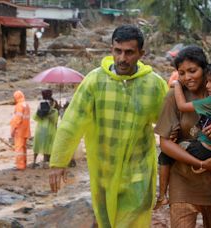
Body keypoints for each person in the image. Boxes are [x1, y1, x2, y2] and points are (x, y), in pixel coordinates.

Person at [48, 25, 169, 227]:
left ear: (141, 53)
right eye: (117, 51)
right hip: (104, 170)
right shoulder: (94, 81)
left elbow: (169, 124)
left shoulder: (154, 85)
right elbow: (72, 122)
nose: (122, 58)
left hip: (139, 170)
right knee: (105, 220)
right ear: (111, 50)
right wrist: (58, 162)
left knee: (133, 218)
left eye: (129, 52)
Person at [154, 46, 211, 228]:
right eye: (181, 73)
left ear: (205, 69)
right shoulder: (174, 97)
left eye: (192, 71)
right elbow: (165, 144)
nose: (187, 78)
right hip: (184, 180)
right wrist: (200, 164)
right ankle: (162, 196)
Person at [32, 90, 59, 169]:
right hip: (50, 130)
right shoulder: (54, 110)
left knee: (37, 145)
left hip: (40, 129)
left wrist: (41, 113)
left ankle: (34, 162)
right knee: (47, 146)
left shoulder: (41, 106)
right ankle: (44, 162)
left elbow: (35, 117)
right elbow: (55, 121)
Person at [10, 90, 31, 170]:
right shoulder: (26, 105)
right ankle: (24, 164)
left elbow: (17, 120)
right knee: (23, 148)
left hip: (19, 131)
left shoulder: (19, 106)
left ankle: (20, 166)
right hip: (26, 130)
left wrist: (13, 130)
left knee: (19, 149)